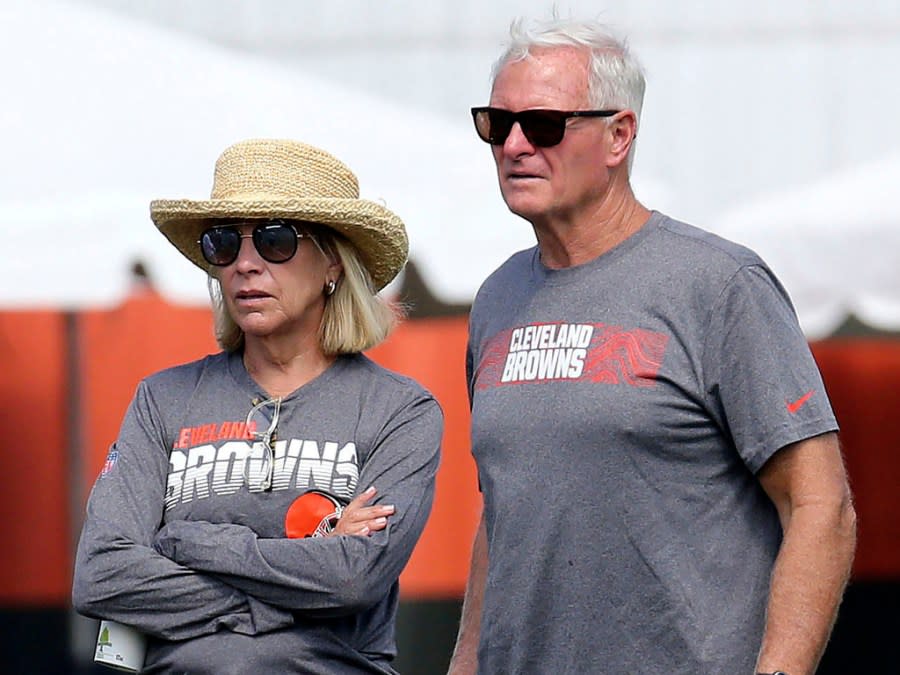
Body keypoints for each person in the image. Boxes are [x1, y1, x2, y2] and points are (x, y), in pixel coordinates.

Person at [448, 16, 856, 675]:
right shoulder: (496, 300)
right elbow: (505, 515)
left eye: (544, 125)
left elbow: (820, 503)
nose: (514, 144)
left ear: (619, 135)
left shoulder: (719, 285)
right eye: (497, 123)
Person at [72, 138, 443, 674]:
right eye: (223, 243)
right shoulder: (163, 398)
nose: (245, 264)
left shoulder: (398, 409)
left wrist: (187, 542)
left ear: (333, 264)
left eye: (275, 240)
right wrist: (272, 601)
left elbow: (352, 578)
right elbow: (102, 576)